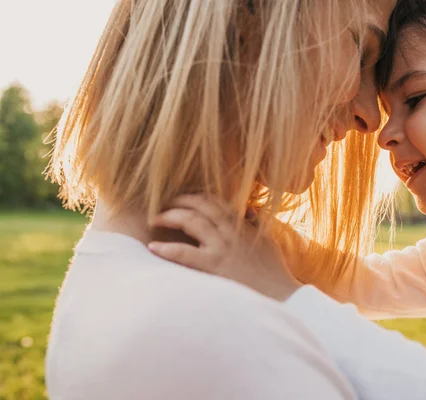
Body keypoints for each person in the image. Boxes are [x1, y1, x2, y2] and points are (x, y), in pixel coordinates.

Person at [150, 0, 426, 398]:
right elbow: (368, 284)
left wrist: (283, 294)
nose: (383, 135)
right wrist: (260, 239)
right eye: (388, 111)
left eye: (417, 98)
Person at [44, 0, 397, 398]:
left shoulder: (118, 276)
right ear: (249, 15)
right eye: (359, 48)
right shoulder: (209, 329)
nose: (371, 117)